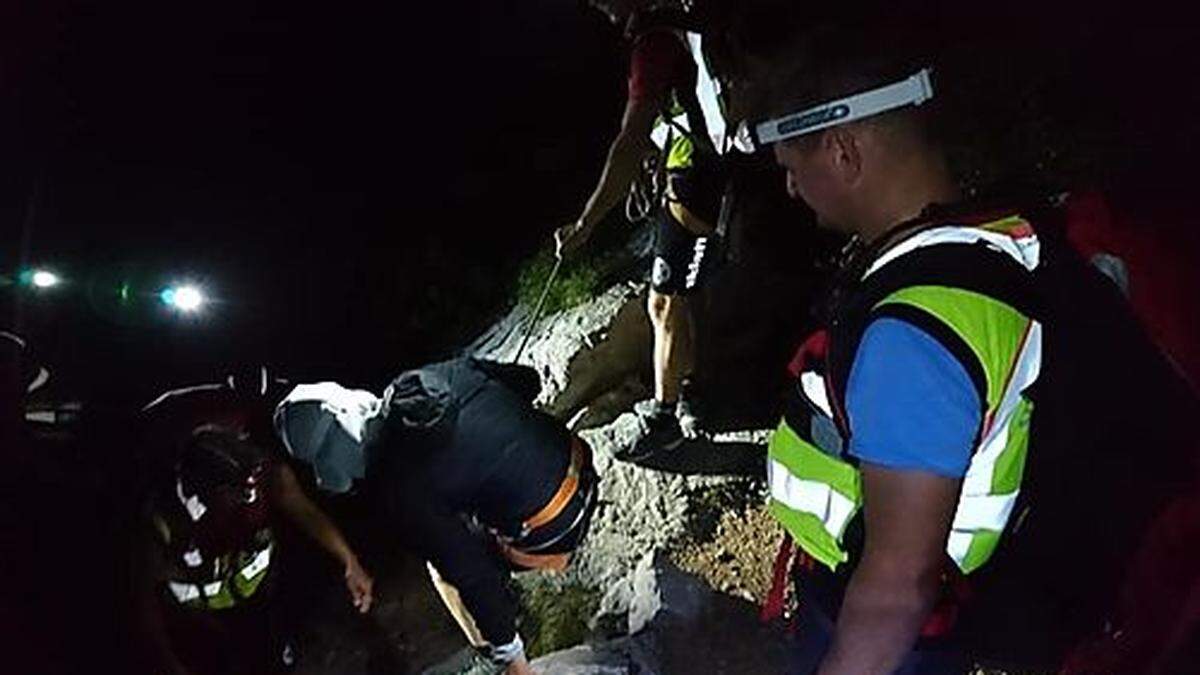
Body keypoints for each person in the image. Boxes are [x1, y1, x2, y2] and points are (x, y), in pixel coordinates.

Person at [752, 20, 1197, 674]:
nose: (791, 188)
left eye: (793, 167)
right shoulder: (1001, 231)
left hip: (918, 638)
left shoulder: (909, 337)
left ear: (843, 152)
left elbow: (898, 583)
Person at [273, 357, 599, 675]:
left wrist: (514, 660)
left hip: (557, 528)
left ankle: (498, 655)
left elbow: (472, 574)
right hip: (584, 465)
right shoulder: (434, 373)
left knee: (445, 570)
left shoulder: (398, 487)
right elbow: (529, 381)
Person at [557, 0, 744, 456]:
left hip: (699, 179)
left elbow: (630, 137)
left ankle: (672, 414)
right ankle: (685, 398)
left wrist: (586, 223)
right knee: (672, 300)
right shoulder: (677, 28)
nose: (598, 6)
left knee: (669, 300)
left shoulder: (654, 42)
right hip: (703, 169)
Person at [134, 374, 374, 675]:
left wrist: (348, 560)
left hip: (262, 603)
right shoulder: (163, 524)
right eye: (238, 493)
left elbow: (300, 506)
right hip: (205, 628)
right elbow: (145, 608)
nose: (250, 496)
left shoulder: (257, 467)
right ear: (207, 495)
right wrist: (171, 664)